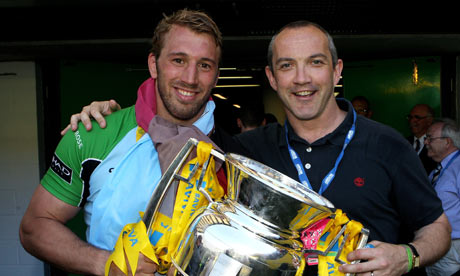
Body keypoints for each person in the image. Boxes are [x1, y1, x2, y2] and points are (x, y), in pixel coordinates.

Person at [66, 20, 451, 276]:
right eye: (286, 66)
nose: (302, 79)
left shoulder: (388, 145)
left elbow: (438, 227)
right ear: (271, 77)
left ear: (336, 71)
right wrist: (107, 115)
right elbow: (175, 120)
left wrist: (408, 256)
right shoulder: (242, 151)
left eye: (315, 63)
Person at [19, 9, 225, 276]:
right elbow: (34, 226)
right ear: (154, 64)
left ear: (216, 76)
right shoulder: (95, 133)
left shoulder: (233, 153)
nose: (190, 78)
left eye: (205, 65)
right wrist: (107, 264)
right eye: (178, 60)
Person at [424, 118, 460, 276]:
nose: (426, 142)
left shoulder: (458, 167)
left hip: (453, 247)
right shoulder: (439, 169)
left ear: (447, 142)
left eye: (430, 138)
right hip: (437, 244)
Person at [407, 104, 437, 175]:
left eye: (417, 117)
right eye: (410, 117)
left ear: (429, 120)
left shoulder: (436, 143)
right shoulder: (404, 142)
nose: (412, 121)